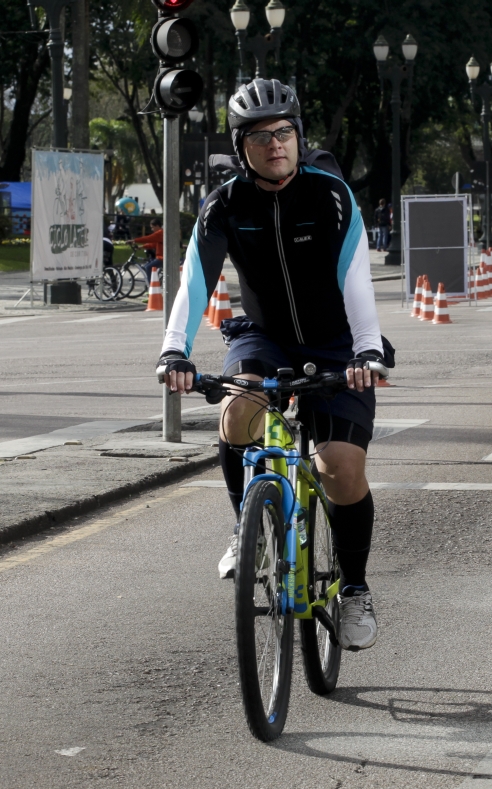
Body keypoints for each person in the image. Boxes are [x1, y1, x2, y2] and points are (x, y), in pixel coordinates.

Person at [156, 79, 390, 651]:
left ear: (299, 136)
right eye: (259, 137)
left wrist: (367, 350)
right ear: (241, 149)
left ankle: (355, 588)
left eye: (284, 132)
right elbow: (194, 281)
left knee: (339, 466)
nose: (274, 144)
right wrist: (174, 350)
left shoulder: (330, 195)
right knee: (238, 410)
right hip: (265, 337)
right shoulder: (224, 206)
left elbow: (356, 278)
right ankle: (247, 532)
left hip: (337, 344)